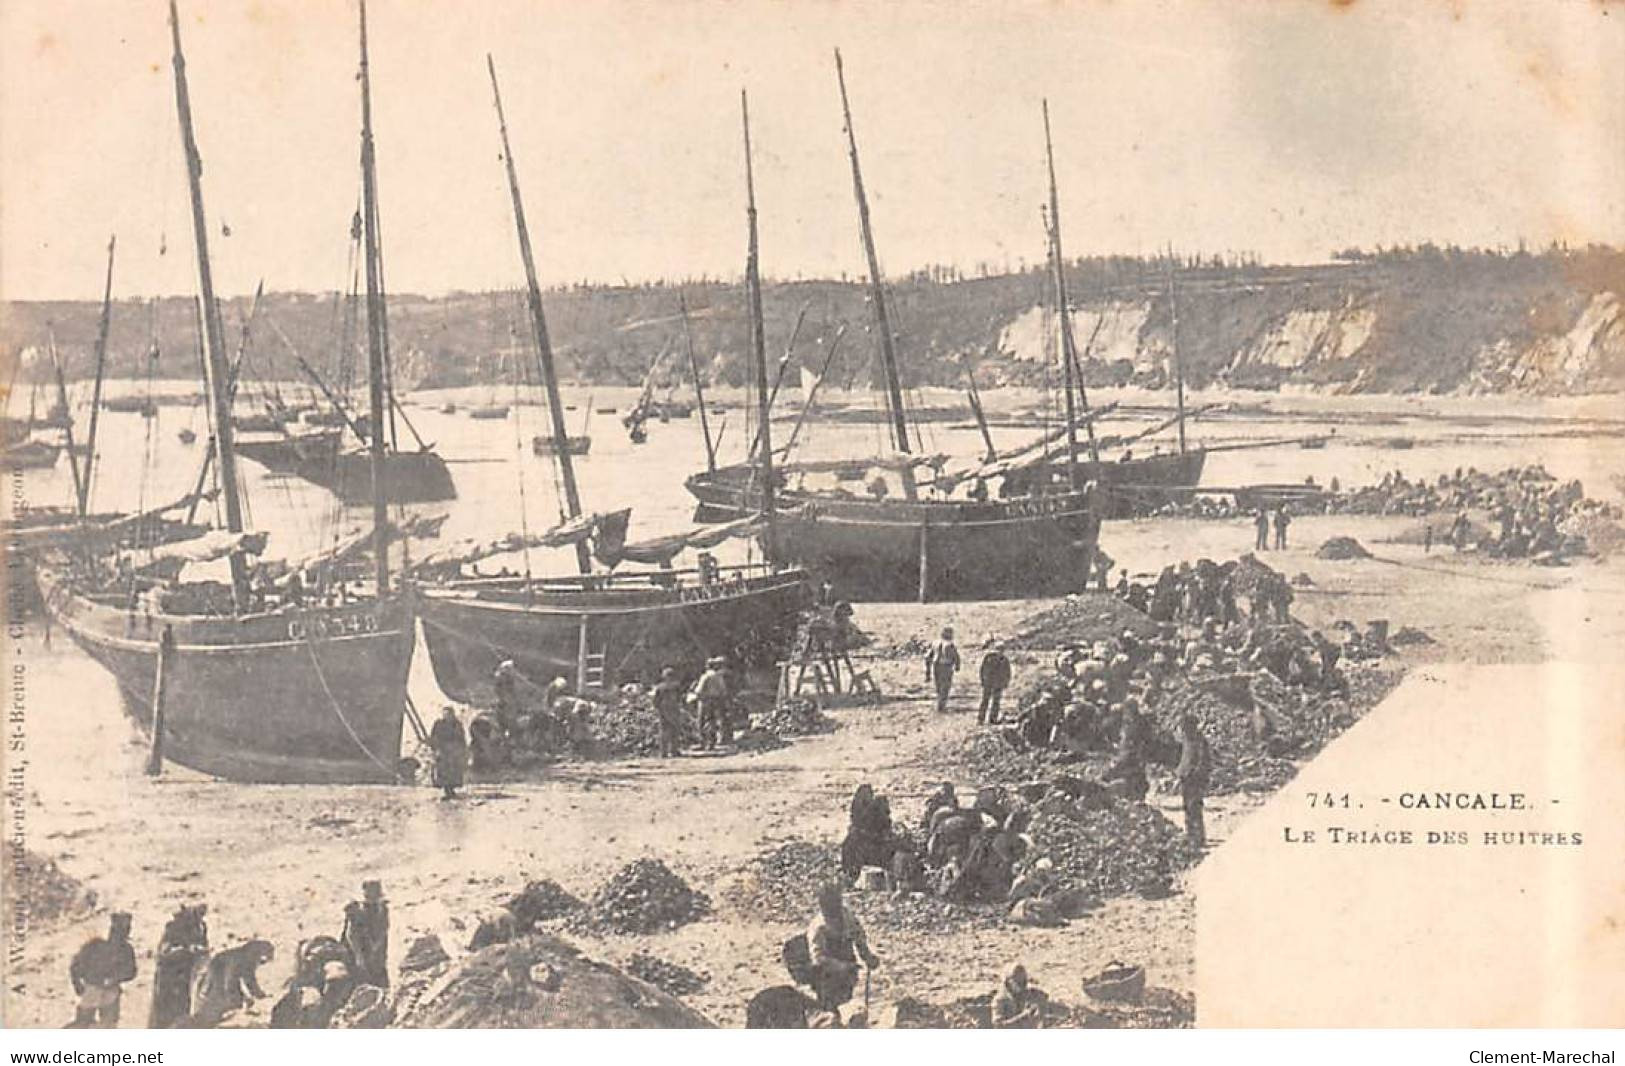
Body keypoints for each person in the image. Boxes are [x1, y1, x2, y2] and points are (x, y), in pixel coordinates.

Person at [805, 882, 879, 1020]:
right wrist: (842, 967)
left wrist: (867, 956)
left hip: (847, 967)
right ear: (823, 906)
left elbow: (858, 936)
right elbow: (818, 958)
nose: (835, 909)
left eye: (837, 902)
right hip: (826, 975)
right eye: (831, 905)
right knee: (830, 1008)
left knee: (845, 998)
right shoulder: (819, 927)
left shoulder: (846, 916)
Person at [68, 912, 136, 1028]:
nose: (120, 935)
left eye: (124, 931)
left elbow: (131, 971)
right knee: (83, 1024)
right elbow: (75, 965)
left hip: (110, 993)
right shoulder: (95, 946)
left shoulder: (126, 950)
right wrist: (77, 984)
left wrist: (115, 979)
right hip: (91, 991)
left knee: (108, 1025)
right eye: (117, 931)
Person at [149, 903, 209, 1028]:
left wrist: (200, 951)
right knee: (164, 1010)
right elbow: (164, 951)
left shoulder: (201, 927)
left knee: (182, 1008)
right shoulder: (173, 927)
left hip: (185, 974)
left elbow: (203, 945)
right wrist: (185, 950)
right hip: (168, 975)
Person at [342, 880, 390, 988]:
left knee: (380, 981)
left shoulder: (383, 909)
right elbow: (351, 936)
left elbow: (384, 929)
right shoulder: (356, 912)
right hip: (361, 953)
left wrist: (376, 946)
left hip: (378, 955)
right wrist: (358, 956)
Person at [1175, 715, 1213, 848]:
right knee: (1187, 807)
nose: (1183, 730)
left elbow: (1204, 762)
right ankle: (1191, 835)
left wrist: (1196, 774)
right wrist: (1180, 773)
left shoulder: (1200, 741)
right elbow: (1184, 759)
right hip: (1186, 778)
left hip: (1195, 779)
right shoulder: (1186, 741)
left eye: (1185, 727)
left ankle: (1198, 837)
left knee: (1194, 807)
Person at [429, 706, 468, 800]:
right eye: (445, 714)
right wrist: (435, 749)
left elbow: (461, 738)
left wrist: (462, 750)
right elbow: (434, 737)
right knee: (443, 772)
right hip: (443, 752)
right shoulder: (438, 724)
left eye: (449, 714)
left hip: (454, 752)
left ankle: (451, 790)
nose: (447, 716)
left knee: (454, 772)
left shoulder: (457, 724)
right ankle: (446, 791)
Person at [692, 657, 730, 750]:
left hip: (705, 700)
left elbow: (699, 690)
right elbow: (723, 690)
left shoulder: (705, 676)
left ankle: (703, 742)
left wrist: (694, 693)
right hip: (716, 700)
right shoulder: (718, 676)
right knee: (712, 721)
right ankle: (711, 742)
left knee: (702, 721)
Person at [991, 963, 1044, 1028]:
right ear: (1008, 982)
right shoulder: (1000, 1000)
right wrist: (1022, 1017)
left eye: (1023, 982)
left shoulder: (1030, 995)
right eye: (1018, 982)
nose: (1021, 986)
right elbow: (998, 1026)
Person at [924, 626, 961, 713]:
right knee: (945, 687)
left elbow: (928, 656)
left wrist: (928, 670)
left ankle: (940, 704)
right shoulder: (950, 645)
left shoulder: (935, 643)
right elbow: (956, 657)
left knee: (939, 686)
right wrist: (957, 666)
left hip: (936, 666)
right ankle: (941, 706)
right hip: (946, 666)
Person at [651, 666, 686, 758]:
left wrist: (657, 707)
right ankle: (674, 750)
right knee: (675, 730)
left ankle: (663, 752)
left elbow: (655, 700)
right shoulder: (676, 686)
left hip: (663, 709)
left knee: (663, 731)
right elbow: (680, 698)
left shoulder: (660, 687)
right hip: (674, 708)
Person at [976, 647, 1012, 725]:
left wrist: (1005, 682)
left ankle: (992, 719)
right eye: (998, 650)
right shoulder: (989, 658)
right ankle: (981, 718)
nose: (1000, 652)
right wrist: (982, 680)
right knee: (985, 701)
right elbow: (982, 670)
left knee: (995, 702)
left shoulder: (1004, 660)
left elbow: (1007, 672)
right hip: (989, 683)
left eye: (1001, 650)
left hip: (998, 684)